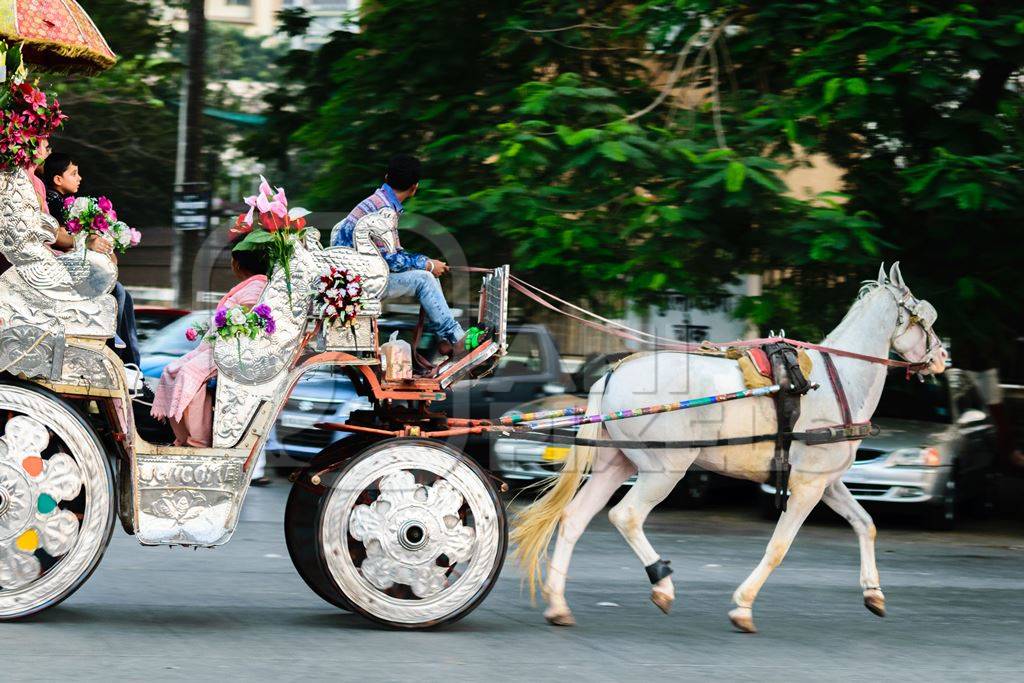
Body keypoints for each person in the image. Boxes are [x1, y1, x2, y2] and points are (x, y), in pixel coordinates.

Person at [330, 154, 469, 356]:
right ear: (415, 187)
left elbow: (390, 255)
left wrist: (427, 263)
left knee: (424, 275)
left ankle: (448, 337)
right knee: (424, 279)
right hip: (361, 283)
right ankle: (455, 337)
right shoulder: (385, 210)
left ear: (387, 177)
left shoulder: (377, 201)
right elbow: (391, 261)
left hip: (356, 277)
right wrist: (427, 265)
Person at [150, 241, 269, 451]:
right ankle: (181, 438)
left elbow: (246, 317)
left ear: (239, 264)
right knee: (170, 371)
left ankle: (198, 442)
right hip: (212, 347)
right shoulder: (249, 284)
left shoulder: (258, 285)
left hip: (229, 350)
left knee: (188, 375)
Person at [43, 152, 141, 367]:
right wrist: (85, 240)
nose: (79, 178)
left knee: (124, 294)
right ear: (58, 179)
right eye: (74, 173)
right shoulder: (52, 199)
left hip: (69, 266)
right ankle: (124, 356)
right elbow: (57, 235)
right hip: (59, 270)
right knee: (117, 292)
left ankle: (128, 358)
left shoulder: (62, 201)